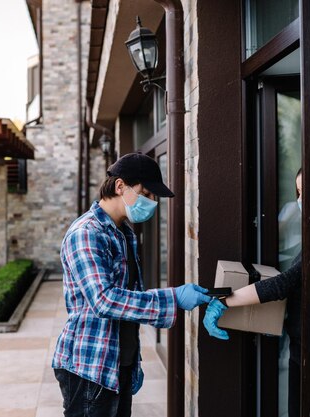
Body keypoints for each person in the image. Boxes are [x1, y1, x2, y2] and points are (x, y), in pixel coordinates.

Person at [203, 169, 310, 417]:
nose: (301, 198)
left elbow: (286, 283)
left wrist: (225, 302)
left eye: (306, 191)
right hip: (304, 338)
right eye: (299, 191)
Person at [53, 153, 211, 417]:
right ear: (120, 186)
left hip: (117, 364)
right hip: (89, 367)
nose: (151, 203)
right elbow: (104, 300)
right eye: (146, 193)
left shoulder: (124, 233)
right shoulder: (86, 233)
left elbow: (129, 300)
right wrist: (172, 298)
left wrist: (132, 361)